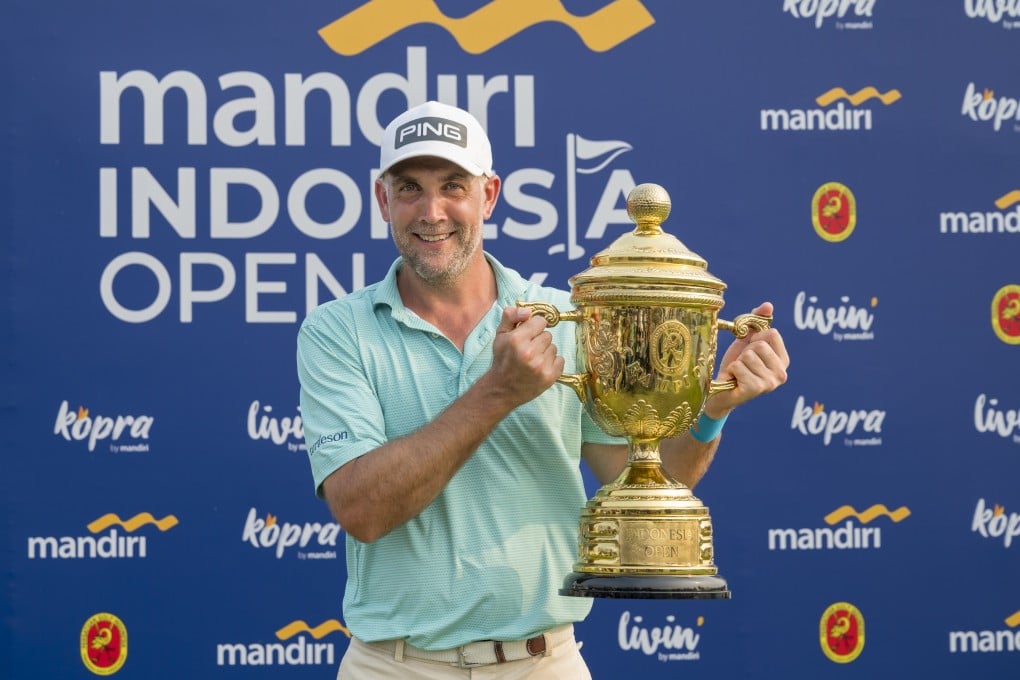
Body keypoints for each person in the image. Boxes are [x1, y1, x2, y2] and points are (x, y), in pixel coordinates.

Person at [297, 101, 790, 679]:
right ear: (384, 200)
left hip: (541, 663)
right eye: (410, 188)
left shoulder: (569, 317)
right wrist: (496, 392)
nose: (431, 212)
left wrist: (710, 409)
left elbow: (649, 478)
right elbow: (362, 509)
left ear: (489, 195)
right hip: (393, 666)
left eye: (453, 186)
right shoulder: (338, 330)